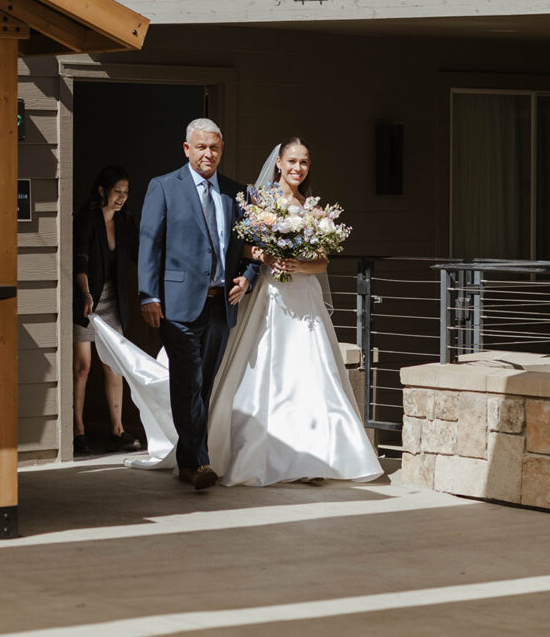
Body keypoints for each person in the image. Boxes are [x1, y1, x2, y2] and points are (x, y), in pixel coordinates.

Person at [91, 137, 382, 488]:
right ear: (278, 163)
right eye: (292, 161)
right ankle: (250, 452)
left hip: (304, 299)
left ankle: (313, 454)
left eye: (304, 163)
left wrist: (299, 265)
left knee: (312, 373)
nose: (297, 168)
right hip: (269, 295)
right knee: (267, 373)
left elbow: (321, 260)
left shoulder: (312, 208)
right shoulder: (259, 201)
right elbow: (241, 246)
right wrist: (265, 258)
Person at [138, 118, 258, 490]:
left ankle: (188, 461)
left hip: (220, 304)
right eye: (201, 147)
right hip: (177, 305)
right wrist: (149, 294)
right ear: (187, 149)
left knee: (204, 385)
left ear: (222, 149)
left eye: (215, 148)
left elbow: (254, 247)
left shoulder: (236, 194)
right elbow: (150, 243)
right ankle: (200, 462)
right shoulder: (163, 187)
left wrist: (247, 278)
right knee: (188, 381)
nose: (209, 154)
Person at [72, 165, 141, 456]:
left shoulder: (126, 221)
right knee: (83, 366)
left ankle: (117, 430)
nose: (122, 198)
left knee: (115, 365)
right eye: (117, 191)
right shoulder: (87, 218)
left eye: (125, 193)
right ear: (102, 190)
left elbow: (140, 256)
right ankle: (77, 431)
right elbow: (80, 261)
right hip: (85, 298)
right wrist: (86, 294)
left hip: (113, 300)